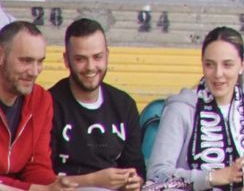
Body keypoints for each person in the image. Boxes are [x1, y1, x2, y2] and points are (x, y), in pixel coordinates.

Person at [145, 29, 244, 191]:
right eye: (210, 65)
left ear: (241, 66)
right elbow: (156, 176)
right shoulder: (181, 109)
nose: (218, 74)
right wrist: (212, 177)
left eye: (227, 65)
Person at [45, 18, 142, 190]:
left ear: (107, 55)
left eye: (97, 57)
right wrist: (94, 181)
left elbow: (137, 168)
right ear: (66, 60)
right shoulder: (48, 104)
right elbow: (43, 178)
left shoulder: (124, 105)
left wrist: (134, 182)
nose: (90, 67)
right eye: (81, 59)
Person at [0, 23, 54, 183]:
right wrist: (29, 189)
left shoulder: (41, 100)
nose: (34, 71)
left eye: (40, 61)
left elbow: (37, 166)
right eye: (26, 61)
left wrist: (53, 187)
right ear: (1, 55)